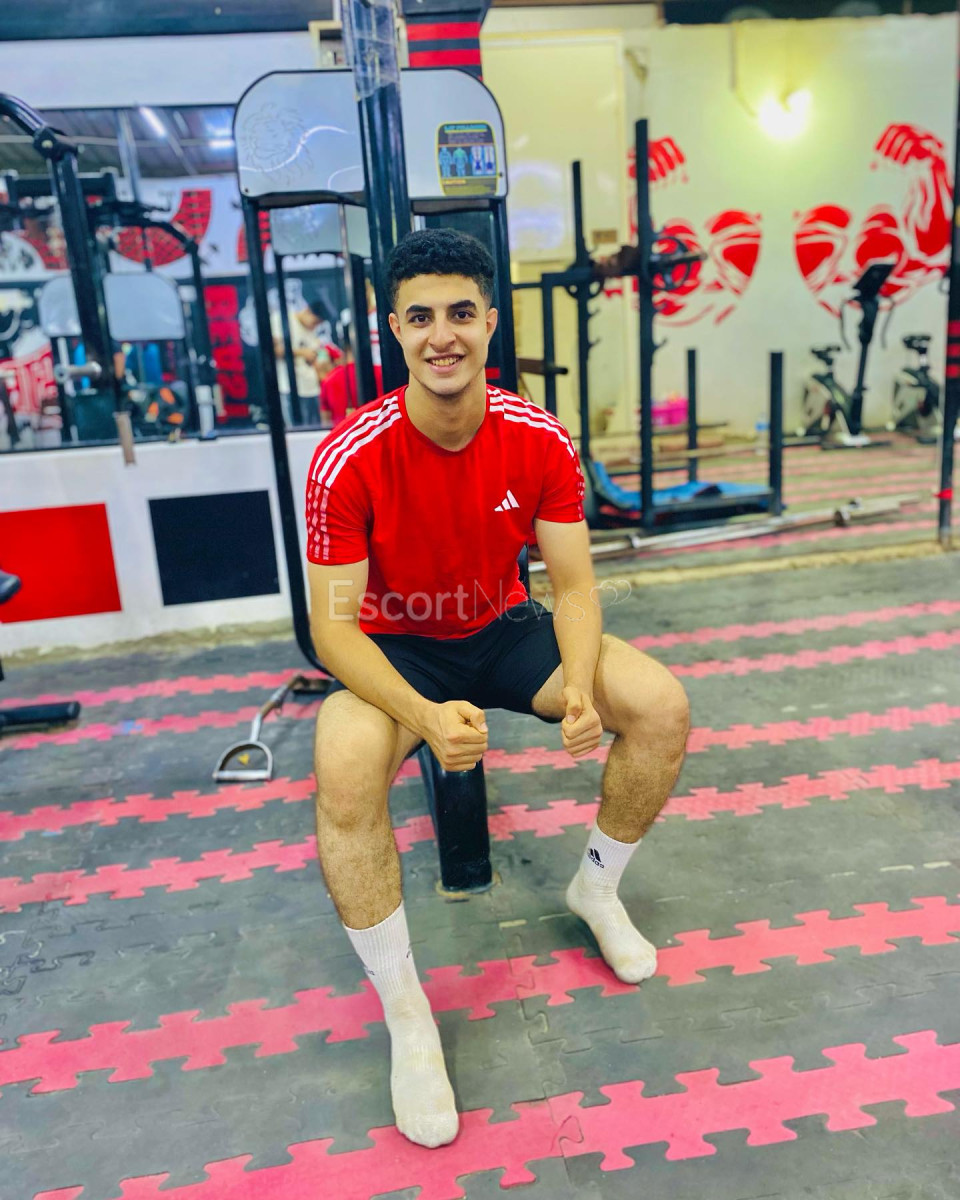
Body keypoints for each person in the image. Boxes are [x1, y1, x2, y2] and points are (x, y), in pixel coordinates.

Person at [304, 229, 690, 1149]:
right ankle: (407, 1012)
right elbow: (333, 630)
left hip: (501, 626)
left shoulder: (537, 436)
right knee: (344, 762)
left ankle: (597, 889)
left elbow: (576, 587)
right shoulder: (347, 457)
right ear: (394, 328)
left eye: (461, 314)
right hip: (397, 647)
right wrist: (423, 716)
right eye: (421, 317)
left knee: (659, 706)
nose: (443, 335)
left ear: (490, 322)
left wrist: (583, 686)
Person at [270, 297, 332, 425]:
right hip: (290, 389)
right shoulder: (282, 320)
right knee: (296, 430)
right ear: (307, 311)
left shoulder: (312, 331)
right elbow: (272, 350)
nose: (315, 326)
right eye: (315, 322)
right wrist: (301, 352)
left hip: (313, 388)